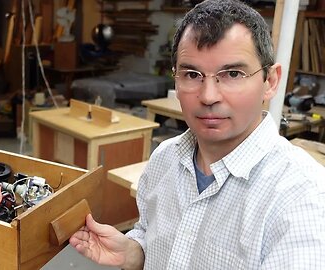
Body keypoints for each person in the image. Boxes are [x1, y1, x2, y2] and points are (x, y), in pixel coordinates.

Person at [69, 0, 325, 269]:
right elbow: (150, 235)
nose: (208, 96)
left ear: (270, 81)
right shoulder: (164, 159)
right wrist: (134, 252)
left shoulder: (304, 198)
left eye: (233, 73)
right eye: (192, 74)